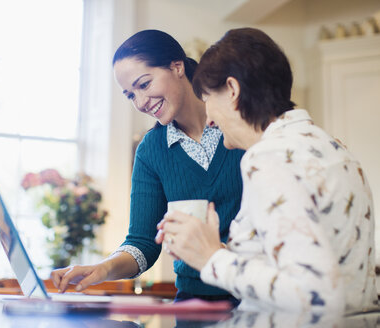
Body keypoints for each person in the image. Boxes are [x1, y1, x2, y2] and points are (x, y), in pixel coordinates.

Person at [156, 28, 378, 312]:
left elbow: (315, 293)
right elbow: (299, 266)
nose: (209, 118)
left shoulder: (270, 157)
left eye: (208, 98)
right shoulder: (334, 148)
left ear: (233, 91)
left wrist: (211, 258)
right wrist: (212, 247)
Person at [50, 29, 244, 304]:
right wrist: (104, 268)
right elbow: (142, 243)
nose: (140, 102)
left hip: (257, 295)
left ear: (177, 66)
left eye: (144, 84)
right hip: (195, 303)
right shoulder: (151, 150)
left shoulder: (240, 124)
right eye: (130, 95)